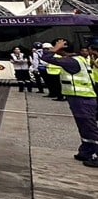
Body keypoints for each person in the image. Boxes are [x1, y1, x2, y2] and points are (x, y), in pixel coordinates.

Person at [40, 39, 97, 167]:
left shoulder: (71, 62)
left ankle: (96, 154)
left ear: (62, 49)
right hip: (81, 98)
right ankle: (87, 150)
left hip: (82, 99)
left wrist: (55, 48)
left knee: (90, 128)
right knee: (84, 127)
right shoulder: (76, 59)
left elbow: (46, 57)